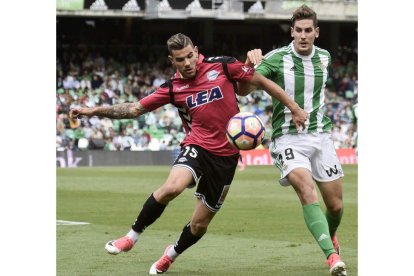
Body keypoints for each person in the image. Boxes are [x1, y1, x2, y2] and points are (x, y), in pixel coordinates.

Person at [69, 33, 307, 274]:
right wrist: (92, 111)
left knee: (199, 224)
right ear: (172, 61)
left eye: (190, 56)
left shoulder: (222, 66)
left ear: (197, 51)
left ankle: (170, 254)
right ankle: (131, 237)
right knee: (172, 187)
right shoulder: (173, 88)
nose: (187, 63)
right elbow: (134, 109)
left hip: (225, 159)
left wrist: (295, 108)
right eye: (180, 59)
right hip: (197, 146)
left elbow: (260, 82)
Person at [239, 5, 347, 276]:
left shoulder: (324, 57)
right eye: (298, 30)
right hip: (287, 138)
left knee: (335, 206)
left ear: (317, 32)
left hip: (321, 137)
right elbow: (243, 89)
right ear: (292, 32)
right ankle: (332, 257)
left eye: (308, 30)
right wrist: (248, 64)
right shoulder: (275, 59)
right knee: (306, 190)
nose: (302, 35)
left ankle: (329, 235)